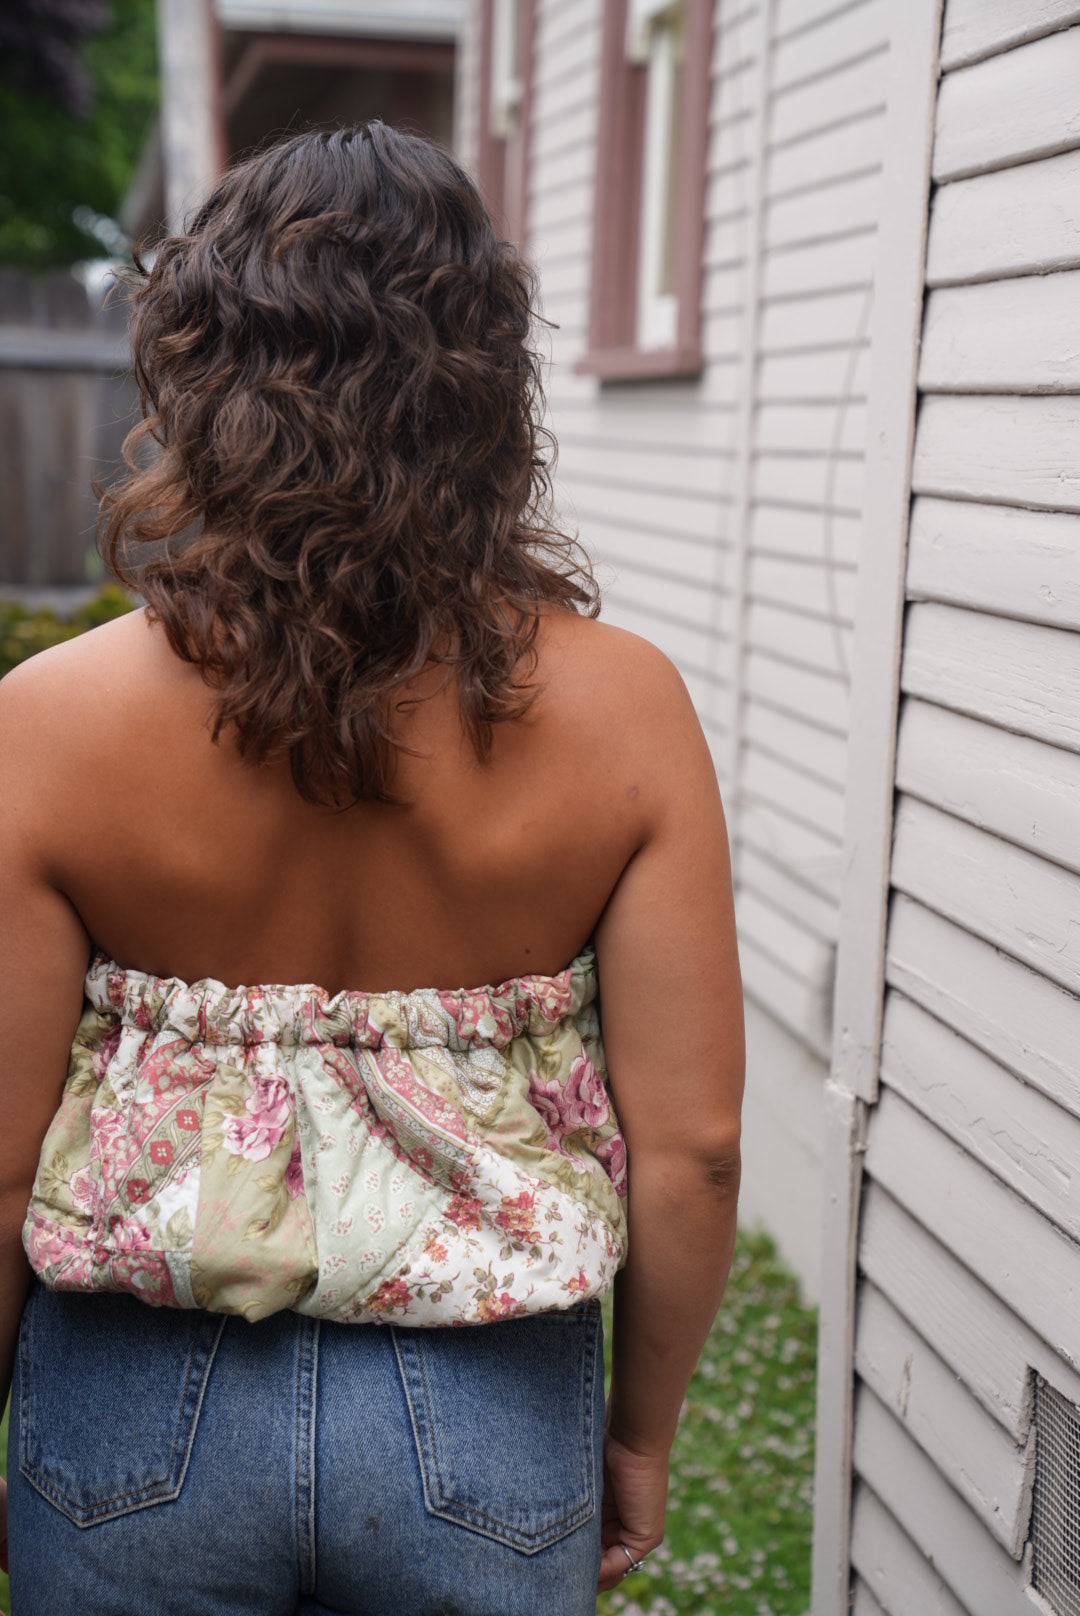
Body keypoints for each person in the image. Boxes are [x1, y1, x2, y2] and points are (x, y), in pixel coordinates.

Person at [0, 122, 744, 1614]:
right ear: (484, 389)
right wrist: (643, 1437)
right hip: (484, 1427)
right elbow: (696, 1152)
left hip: (132, 1416)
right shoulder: (629, 712)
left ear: (199, 370)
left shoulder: (49, 724)